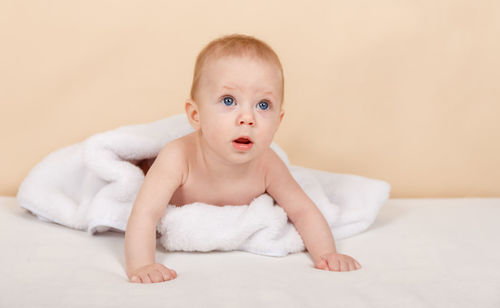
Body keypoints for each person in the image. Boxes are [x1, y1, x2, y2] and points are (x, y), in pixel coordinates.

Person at [125, 33, 361, 284]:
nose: (247, 118)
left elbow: (303, 211)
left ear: (278, 122)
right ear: (196, 115)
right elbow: (146, 213)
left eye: (263, 105)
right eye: (229, 101)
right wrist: (142, 265)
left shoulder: (267, 165)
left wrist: (327, 253)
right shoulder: (178, 158)